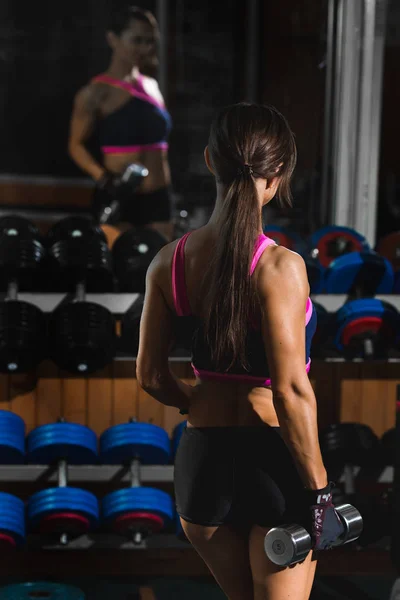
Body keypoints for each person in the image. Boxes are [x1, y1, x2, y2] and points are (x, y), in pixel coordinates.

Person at [136, 103, 344, 600]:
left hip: (202, 465)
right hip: (273, 462)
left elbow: (150, 377)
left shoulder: (169, 262)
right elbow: (291, 392)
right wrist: (319, 492)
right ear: (277, 175)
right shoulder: (280, 268)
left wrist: (196, 400)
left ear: (210, 160)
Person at [68, 6, 173, 242]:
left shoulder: (152, 86)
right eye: (137, 40)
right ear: (113, 39)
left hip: (159, 198)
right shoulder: (95, 93)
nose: (145, 48)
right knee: (120, 271)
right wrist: (104, 179)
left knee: (158, 273)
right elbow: (75, 145)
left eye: (149, 41)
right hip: (120, 196)